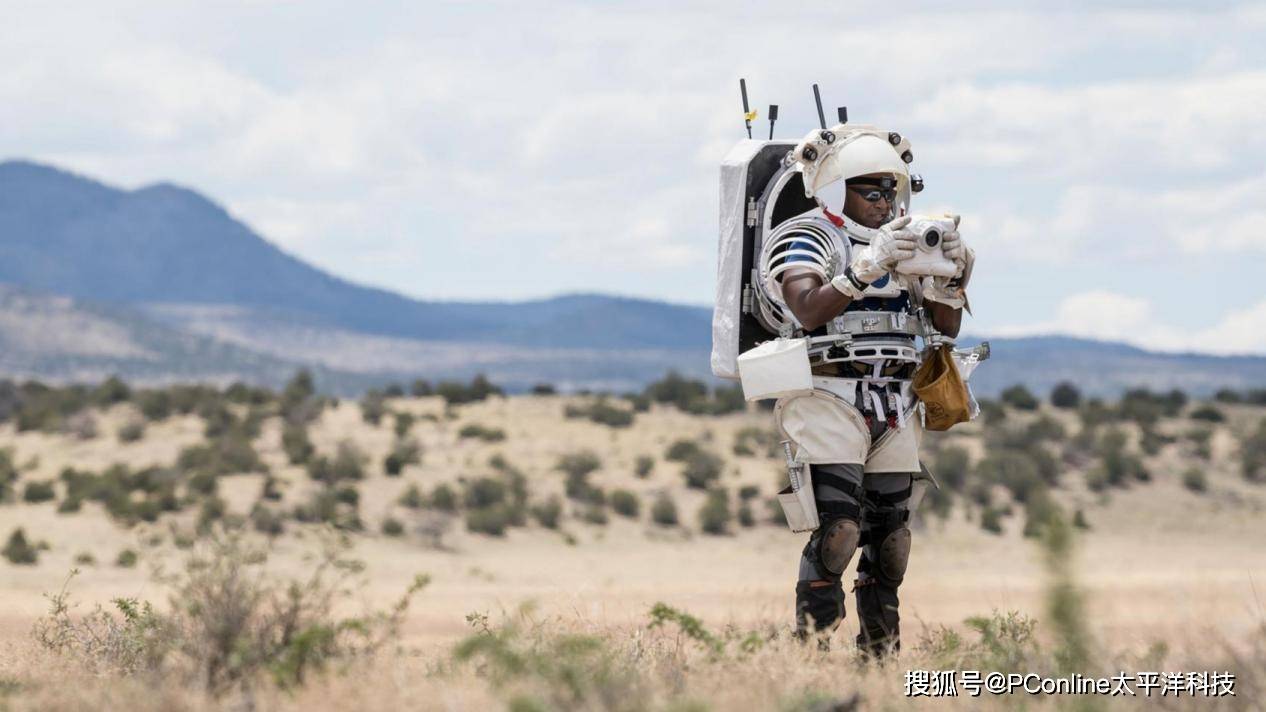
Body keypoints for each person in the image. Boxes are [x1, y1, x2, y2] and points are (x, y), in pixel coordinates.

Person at [777, 152, 974, 655]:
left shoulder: (906, 244)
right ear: (836, 190)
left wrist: (951, 276)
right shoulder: (811, 237)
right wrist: (863, 269)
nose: (884, 204)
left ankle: (880, 658)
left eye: (891, 193)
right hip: (829, 394)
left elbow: (945, 329)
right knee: (839, 531)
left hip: (895, 398)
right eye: (872, 193)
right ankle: (810, 652)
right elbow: (806, 308)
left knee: (891, 542)